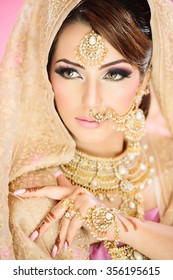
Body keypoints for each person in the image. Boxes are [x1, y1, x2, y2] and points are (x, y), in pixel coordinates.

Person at [0, 0, 173, 260]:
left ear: (144, 79)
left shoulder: (168, 164)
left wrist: (107, 220)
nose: (91, 101)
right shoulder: (29, 197)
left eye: (114, 74)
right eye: (70, 72)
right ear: (45, 77)